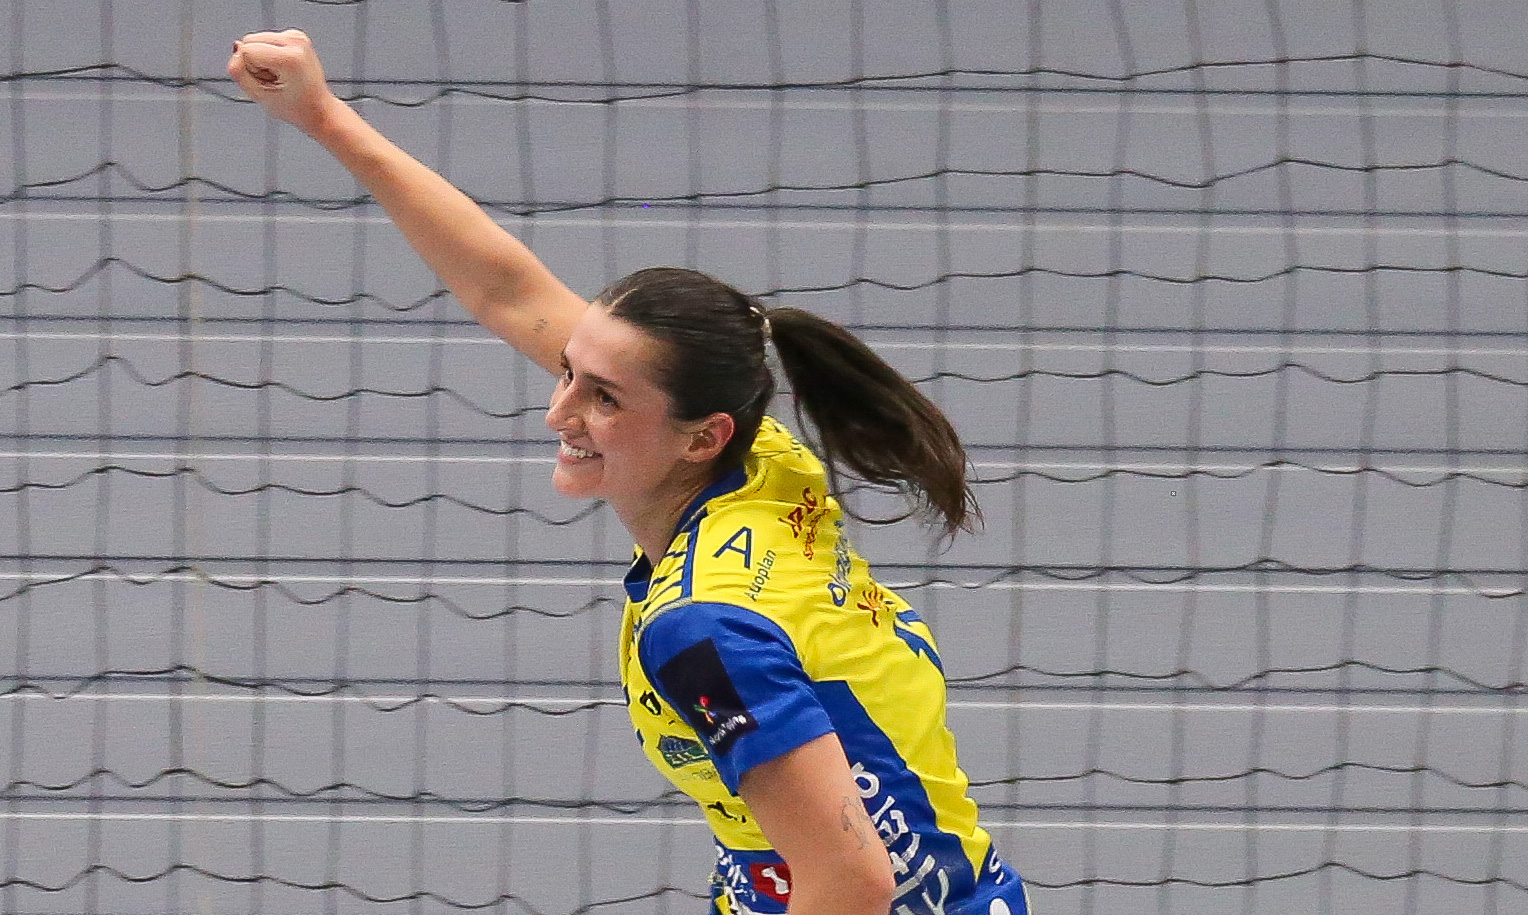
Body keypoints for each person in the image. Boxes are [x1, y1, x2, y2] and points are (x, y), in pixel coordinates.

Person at [228, 30, 1032, 915]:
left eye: (603, 397)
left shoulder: (704, 628)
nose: (559, 411)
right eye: (569, 372)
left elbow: (851, 881)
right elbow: (506, 291)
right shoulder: (764, 459)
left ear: (700, 436)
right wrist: (321, 115)